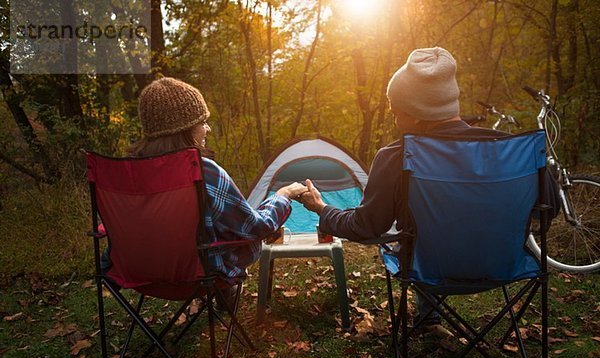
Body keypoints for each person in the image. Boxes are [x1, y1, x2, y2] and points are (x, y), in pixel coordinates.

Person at [300, 47, 558, 328]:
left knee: (411, 238)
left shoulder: (396, 157)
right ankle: (431, 314)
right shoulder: (515, 151)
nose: (395, 120)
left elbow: (365, 228)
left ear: (416, 113)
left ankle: (430, 314)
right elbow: (550, 209)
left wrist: (322, 209)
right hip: (506, 267)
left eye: (397, 112)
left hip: (428, 271)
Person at [103, 77, 307, 304]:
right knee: (234, 234)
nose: (207, 128)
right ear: (185, 128)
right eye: (202, 122)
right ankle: (225, 291)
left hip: (136, 271)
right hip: (198, 275)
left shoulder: (127, 171)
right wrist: (282, 196)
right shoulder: (202, 171)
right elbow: (255, 227)